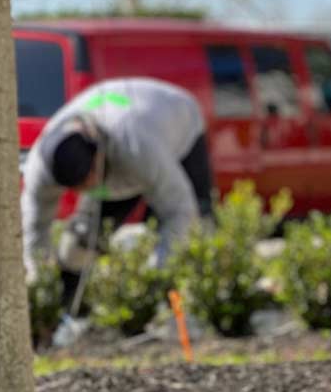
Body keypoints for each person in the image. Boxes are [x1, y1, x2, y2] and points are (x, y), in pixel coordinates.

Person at [20, 78, 213, 300]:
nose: (83, 191)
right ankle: (71, 305)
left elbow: (180, 208)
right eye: (76, 188)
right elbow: (34, 227)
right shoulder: (41, 165)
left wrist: (158, 275)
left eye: (86, 182)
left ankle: (188, 306)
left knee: (195, 226)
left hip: (178, 125)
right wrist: (40, 283)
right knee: (83, 239)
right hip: (120, 154)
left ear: (97, 154)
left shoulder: (136, 146)